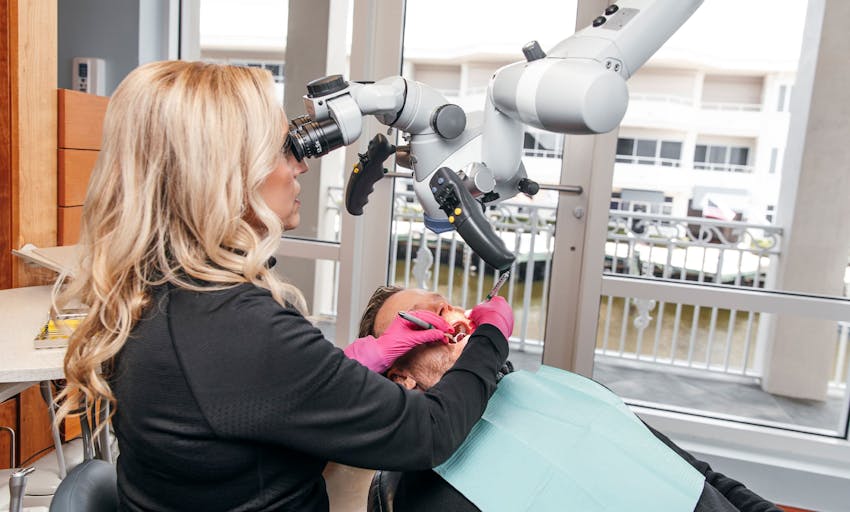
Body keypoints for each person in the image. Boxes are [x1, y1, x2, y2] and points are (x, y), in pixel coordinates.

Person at [52, 61, 514, 512]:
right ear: (225, 175)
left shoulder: (160, 289)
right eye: (281, 150)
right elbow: (427, 433)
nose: (301, 167)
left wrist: (358, 360)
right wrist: (490, 335)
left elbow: (251, 394)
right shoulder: (235, 326)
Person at [359, 286, 783, 512]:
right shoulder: (414, 494)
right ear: (400, 374)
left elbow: (700, 474)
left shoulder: (566, 392)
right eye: (420, 314)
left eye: (445, 303)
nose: (443, 306)